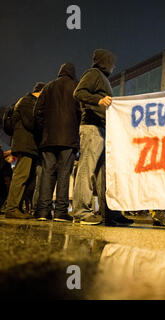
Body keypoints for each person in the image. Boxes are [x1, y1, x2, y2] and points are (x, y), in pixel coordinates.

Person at [72, 49, 133, 226]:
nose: (114, 66)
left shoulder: (103, 78)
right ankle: (81, 211)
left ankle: (109, 212)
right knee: (87, 170)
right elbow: (78, 93)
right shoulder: (94, 73)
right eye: (112, 62)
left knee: (103, 175)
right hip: (92, 127)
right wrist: (97, 101)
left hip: (102, 128)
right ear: (105, 61)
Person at [33, 63, 81, 222]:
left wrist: (45, 128)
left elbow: (37, 112)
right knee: (63, 175)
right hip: (68, 139)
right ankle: (61, 212)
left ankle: (42, 211)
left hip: (48, 139)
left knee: (47, 174)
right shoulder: (76, 86)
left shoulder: (48, 87)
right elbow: (81, 111)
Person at [4, 82, 46, 219]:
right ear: (40, 92)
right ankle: (11, 208)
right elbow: (30, 122)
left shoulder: (26, 101)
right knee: (20, 176)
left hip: (27, 145)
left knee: (25, 177)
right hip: (25, 145)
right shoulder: (28, 101)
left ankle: (16, 207)